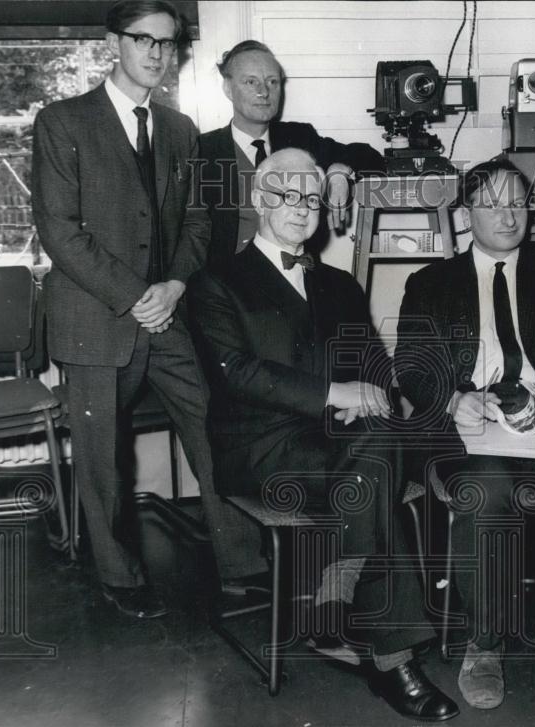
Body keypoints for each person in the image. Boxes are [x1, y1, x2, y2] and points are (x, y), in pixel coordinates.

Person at [187, 147, 459, 723]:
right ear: (258, 199)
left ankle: (339, 594)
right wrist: (337, 394)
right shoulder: (215, 282)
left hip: (347, 443)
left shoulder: (339, 284)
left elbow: (374, 364)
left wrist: (378, 395)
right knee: (378, 465)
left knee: (384, 444)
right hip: (262, 446)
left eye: (310, 198)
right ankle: (391, 657)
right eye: (286, 194)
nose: (300, 207)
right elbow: (238, 372)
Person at [31, 0, 255, 617]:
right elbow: (59, 231)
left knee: (213, 426)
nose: (158, 54)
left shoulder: (180, 129)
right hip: (96, 320)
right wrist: (136, 296)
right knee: (102, 458)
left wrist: (175, 285)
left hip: (167, 314)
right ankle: (118, 575)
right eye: (144, 40)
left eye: (168, 42)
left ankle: (244, 563)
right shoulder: (62, 121)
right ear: (114, 44)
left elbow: (198, 221)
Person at [395, 159, 535, 712]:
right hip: (470, 433)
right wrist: (453, 399)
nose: (508, 216)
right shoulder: (430, 284)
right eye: (492, 204)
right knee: (486, 491)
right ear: (466, 213)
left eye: (517, 203)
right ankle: (484, 647)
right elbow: (413, 366)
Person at [194, 40, 385, 271]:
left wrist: (339, 171)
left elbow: (372, 158)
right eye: (251, 81)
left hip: (295, 277)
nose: (264, 92)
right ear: (227, 88)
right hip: (227, 283)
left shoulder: (299, 137)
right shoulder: (202, 149)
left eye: (272, 82)